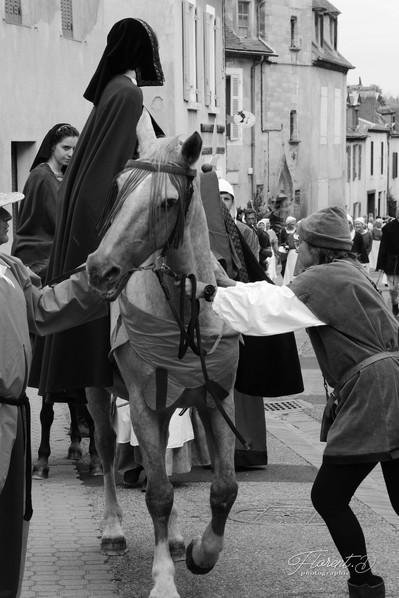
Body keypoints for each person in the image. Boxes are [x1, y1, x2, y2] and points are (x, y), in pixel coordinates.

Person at [188, 205, 397, 598]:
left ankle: (364, 583)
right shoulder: (347, 272)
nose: (296, 249)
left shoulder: (324, 278)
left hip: (374, 392)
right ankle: (365, 583)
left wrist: (208, 293)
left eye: (301, 243)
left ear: (318, 249)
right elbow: (275, 295)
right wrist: (228, 283)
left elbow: (268, 309)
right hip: (390, 384)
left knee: (327, 496)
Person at [30, 18, 165, 399]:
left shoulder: (112, 88)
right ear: (139, 53)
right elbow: (124, 161)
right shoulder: (128, 94)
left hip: (86, 204)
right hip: (103, 211)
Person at [0, 192, 107, 598]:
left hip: (13, 415)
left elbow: (45, 308)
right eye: (0, 212)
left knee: (10, 526)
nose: (9, 219)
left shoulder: (11, 268)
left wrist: (95, 276)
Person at [12, 124, 79, 284]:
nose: (71, 154)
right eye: (65, 148)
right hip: (38, 253)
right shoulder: (42, 176)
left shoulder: (63, 176)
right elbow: (59, 219)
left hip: (52, 247)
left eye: (75, 149)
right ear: (53, 146)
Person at [376, 205, 399, 316]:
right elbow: (383, 247)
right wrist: (380, 264)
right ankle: (395, 304)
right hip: (392, 262)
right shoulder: (388, 228)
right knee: (392, 289)